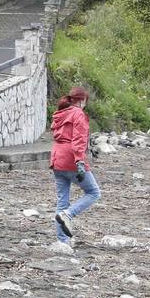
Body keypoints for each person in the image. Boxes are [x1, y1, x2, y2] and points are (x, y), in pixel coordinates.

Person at [50, 86, 100, 242]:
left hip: (57, 158)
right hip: (71, 159)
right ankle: (68, 215)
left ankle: (62, 242)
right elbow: (78, 139)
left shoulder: (61, 113)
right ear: (83, 99)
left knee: (62, 201)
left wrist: (89, 147)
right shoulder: (78, 114)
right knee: (93, 192)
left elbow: (65, 135)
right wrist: (79, 160)